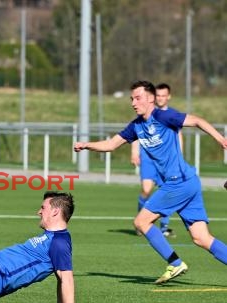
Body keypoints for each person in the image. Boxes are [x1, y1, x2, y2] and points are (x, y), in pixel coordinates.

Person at [74, 80, 227, 284]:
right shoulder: (136, 126)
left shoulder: (164, 116)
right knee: (201, 238)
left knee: (141, 222)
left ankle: (174, 263)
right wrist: (86, 145)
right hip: (188, 182)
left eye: (137, 98)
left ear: (150, 98)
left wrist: (220, 139)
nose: (133, 103)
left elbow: (198, 121)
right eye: (131, 99)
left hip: (178, 183)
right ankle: (176, 263)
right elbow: (111, 145)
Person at [130, 83, 183, 238]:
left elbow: (178, 135)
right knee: (146, 190)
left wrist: (179, 155)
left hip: (166, 161)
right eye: (158, 95)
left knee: (165, 191)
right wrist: (134, 152)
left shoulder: (172, 115)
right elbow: (135, 131)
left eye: (163, 95)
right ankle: (141, 222)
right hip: (148, 158)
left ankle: (164, 227)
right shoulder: (147, 112)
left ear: (169, 97)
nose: (160, 98)